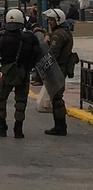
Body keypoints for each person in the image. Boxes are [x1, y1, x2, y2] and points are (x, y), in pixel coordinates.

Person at [0, 9, 41, 139]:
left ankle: (2, 127)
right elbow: (37, 54)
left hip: (8, 72)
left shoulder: (3, 37)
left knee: (0, 97)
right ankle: (18, 129)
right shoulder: (30, 38)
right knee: (21, 100)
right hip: (24, 73)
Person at [43, 8, 74, 136]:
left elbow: (53, 53)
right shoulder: (65, 32)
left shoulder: (58, 35)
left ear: (58, 20)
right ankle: (60, 125)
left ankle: (60, 126)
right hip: (63, 67)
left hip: (58, 68)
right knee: (57, 97)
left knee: (57, 98)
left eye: (51, 20)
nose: (49, 22)